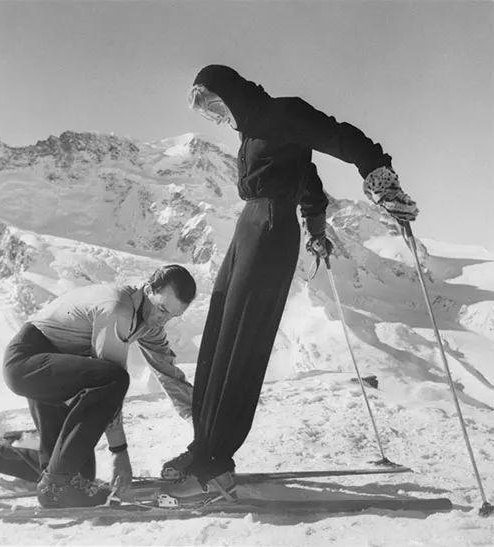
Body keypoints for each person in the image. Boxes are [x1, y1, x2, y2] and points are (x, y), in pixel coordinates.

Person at [160, 65, 419, 504]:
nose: (218, 116)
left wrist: (379, 175)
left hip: (270, 229)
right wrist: (317, 228)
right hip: (249, 228)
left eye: (217, 105)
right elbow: (309, 181)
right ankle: (202, 446)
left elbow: (339, 137)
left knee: (244, 341)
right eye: (209, 112)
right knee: (221, 336)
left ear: (233, 93)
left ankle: (216, 465)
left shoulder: (282, 113)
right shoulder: (253, 133)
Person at [0, 264, 196, 508]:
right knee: (114, 379)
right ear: (148, 290)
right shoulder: (119, 310)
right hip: (27, 359)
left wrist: (202, 431)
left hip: (54, 368)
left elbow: (170, 375)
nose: (162, 320)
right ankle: (55, 487)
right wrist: (119, 452)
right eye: (162, 309)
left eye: (172, 316)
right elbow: (108, 384)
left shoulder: (148, 320)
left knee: (76, 469)